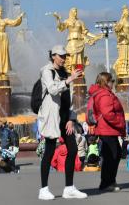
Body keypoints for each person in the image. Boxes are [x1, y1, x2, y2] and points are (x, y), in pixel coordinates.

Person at [37, 45, 87, 200]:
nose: (64, 58)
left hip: (65, 118)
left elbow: (69, 99)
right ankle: (43, 189)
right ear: (53, 56)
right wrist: (70, 79)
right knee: (50, 151)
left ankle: (69, 187)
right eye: (61, 56)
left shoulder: (65, 73)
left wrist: (72, 118)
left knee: (73, 150)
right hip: (51, 116)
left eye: (65, 56)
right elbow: (52, 89)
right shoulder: (47, 71)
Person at [89, 72, 126, 191]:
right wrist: (120, 123)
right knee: (112, 156)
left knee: (112, 155)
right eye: (112, 81)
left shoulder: (101, 93)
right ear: (106, 82)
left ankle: (109, 181)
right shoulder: (105, 95)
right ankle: (107, 182)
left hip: (107, 129)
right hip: (108, 129)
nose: (113, 83)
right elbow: (107, 113)